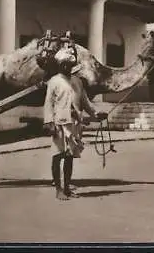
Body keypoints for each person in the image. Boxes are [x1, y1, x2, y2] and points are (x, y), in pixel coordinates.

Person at [43, 48, 107, 200]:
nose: (67, 67)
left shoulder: (77, 82)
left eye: (69, 64)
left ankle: (66, 188)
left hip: (75, 123)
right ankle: (58, 189)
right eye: (64, 64)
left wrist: (96, 114)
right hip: (59, 123)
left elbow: (85, 101)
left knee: (69, 157)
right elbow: (48, 104)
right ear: (60, 65)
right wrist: (49, 122)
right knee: (57, 156)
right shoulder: (54, 82)